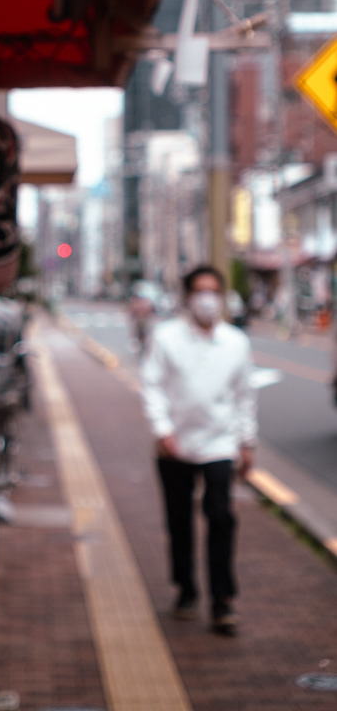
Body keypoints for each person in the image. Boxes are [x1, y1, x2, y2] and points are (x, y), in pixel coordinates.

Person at [139, 264, 257, 635]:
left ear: (222, 297)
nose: (207, 299)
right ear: (188, 297)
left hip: (220, 443)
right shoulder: (166, 338)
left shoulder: (236, 342)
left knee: (221, 517)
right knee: (179, 521)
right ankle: (186, 589)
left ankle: (222, 599)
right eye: (200, 291)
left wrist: (247, 442)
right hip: (174, 444)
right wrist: (163, 430)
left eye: (213, 291)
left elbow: (245, 396)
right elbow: (152, 385)